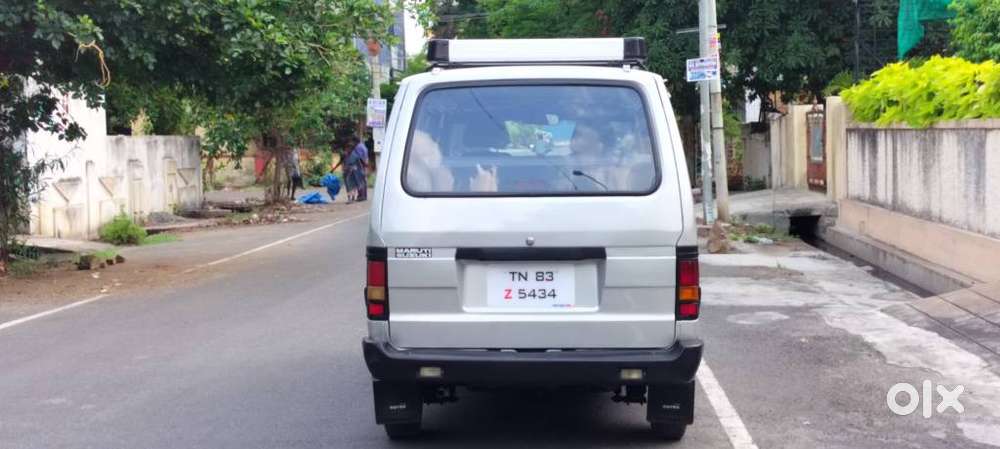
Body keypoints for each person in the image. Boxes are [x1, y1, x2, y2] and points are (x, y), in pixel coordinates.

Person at [346, 135, 370, 201]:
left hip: (359, 166)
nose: (352, 143)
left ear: (355, 141)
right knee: (363, 181)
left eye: (352, 141)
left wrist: (362, 165)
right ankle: (364, 196)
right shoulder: (362, 146)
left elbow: (359, 158)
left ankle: (361, 196)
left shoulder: (358, 147)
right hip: (364, 165)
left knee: (359, 181)